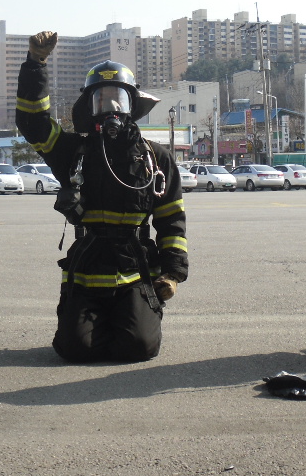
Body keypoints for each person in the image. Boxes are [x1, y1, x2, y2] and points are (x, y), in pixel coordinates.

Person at [16, 31, 188, 362]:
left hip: (135, 268)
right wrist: (36, 63)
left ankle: (134, 317)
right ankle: (92, 324)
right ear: (90, 107)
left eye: (118, 99)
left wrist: (172, 274)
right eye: (101, 99)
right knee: (75, 350)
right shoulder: (73, 152)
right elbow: (33, 123)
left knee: (137, 348)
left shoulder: (156, 158)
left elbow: (172, 221)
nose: (110, 107)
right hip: (88, 267)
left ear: (132, 104)